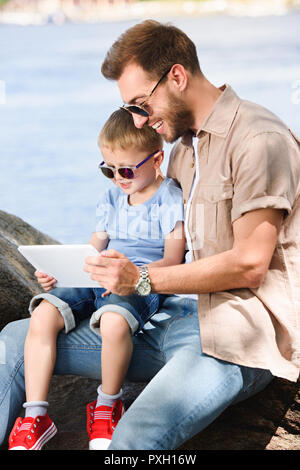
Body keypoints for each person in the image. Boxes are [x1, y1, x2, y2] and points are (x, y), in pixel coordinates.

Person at [1, 19, 299, 451]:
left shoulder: (258, 139)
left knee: (134, 439)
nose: (139, 119)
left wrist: (139, 279)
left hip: (233, 337)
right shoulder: (182, 151)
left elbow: (250, 264)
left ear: (176, 76)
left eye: (141, 104)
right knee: (14, 337)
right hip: (167, 318)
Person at [7, 109, 186, 450]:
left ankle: (107, 407)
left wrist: (132, 277)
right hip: (97, 273)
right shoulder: (112, 198)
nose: (118, 177)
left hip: (139, 281)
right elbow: (94, 246)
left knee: (114, 322)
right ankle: (35, 416)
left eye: (127, 169)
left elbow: (173, 261)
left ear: (157, 158)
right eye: (108, 169)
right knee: (44, 313)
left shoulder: (170, 197)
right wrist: (60, 271)